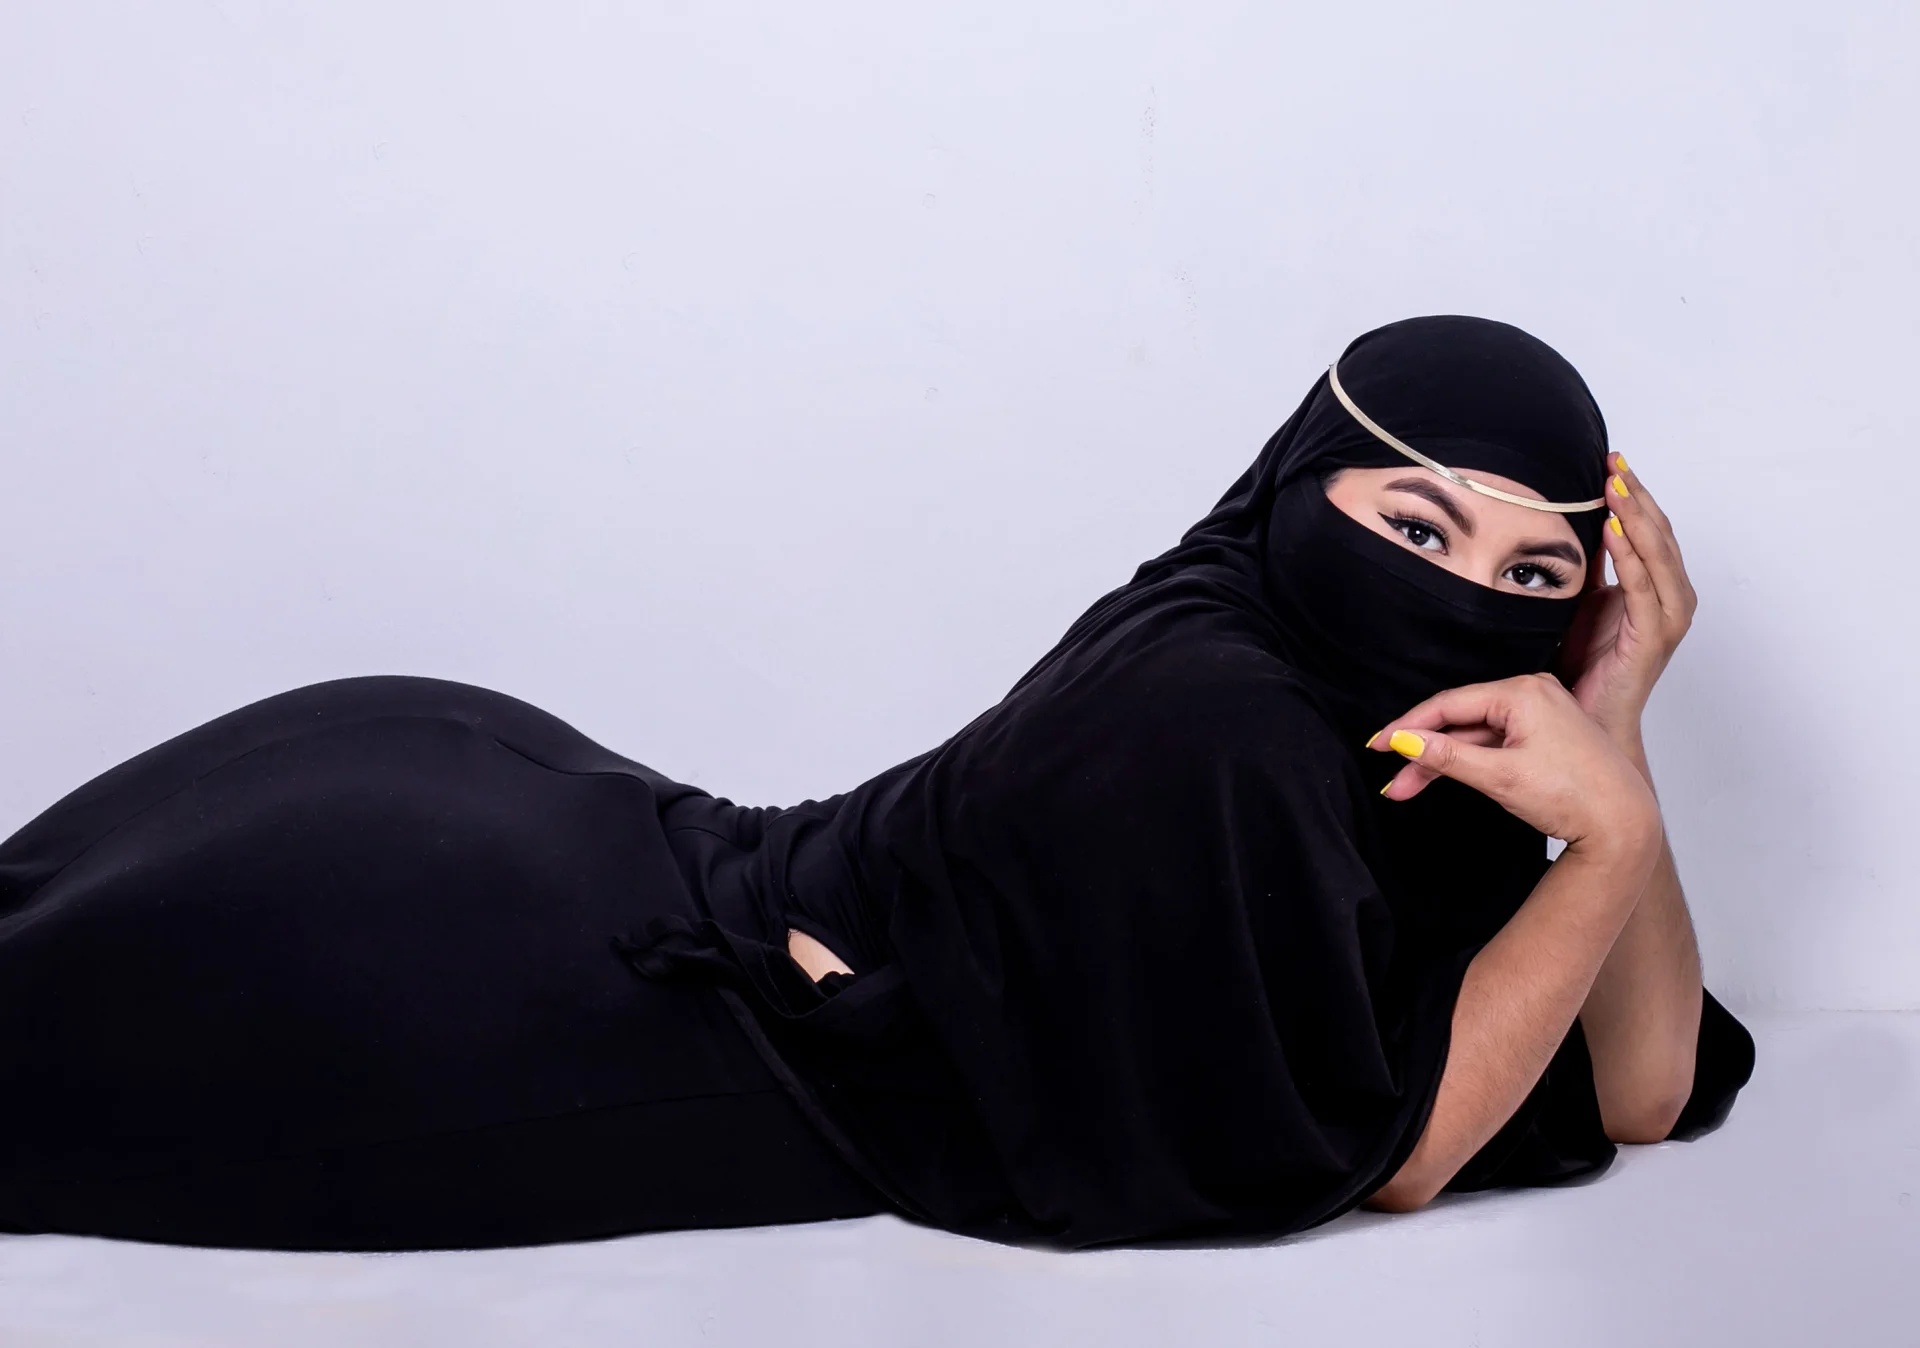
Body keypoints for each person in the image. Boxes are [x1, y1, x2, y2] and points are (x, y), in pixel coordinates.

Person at [0, 315, 1752, 1252]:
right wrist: (1607, 832)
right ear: (1303, 488)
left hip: (506, 811)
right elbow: (1400, 1160)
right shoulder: (1217, 722)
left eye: (1531, 573)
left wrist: (1615, 725)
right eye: (1416, 527)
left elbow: (1643, 1083)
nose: (1461, 595)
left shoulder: (1393, 737)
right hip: (501, 964)